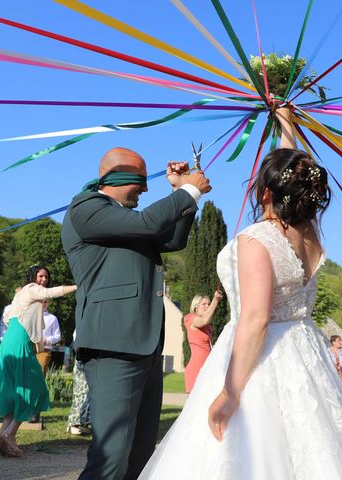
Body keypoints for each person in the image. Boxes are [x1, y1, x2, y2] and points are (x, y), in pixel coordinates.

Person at [139, 107, 342, 479]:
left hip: (257, 357)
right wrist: (285, 123)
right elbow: (294, 171)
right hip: (304, 352)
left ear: (266, 192)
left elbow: (255, 318)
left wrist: (231, 393)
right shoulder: (310, 233)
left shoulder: (256, 240)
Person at [61, 146, 211, 480]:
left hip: (145, 345)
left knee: (140, 454)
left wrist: (178, 190)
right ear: (120, 177)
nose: (145, 190)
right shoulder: (87, 207)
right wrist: (189, 190)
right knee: (111, 456)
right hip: (113, 344)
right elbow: (147, 223)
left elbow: (171, 240)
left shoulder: (127, 223)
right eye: (141, 182)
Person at [0, 265, 76, 457]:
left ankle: (2, 438)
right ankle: (9, 434)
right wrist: (78, 286)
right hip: (19, 341)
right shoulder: (31, 288)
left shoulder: (23, 295)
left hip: (11, 341)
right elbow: (53, 292)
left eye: (46, 277)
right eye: (40, 275)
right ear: (33, 276)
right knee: (34, 388)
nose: (43, 279)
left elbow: (11, 319)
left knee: (15, 391)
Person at [184, 291, 223, 393]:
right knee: (193, 406)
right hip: (196, 369)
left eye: (208, 304)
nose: (207, 306)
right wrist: (215, 300)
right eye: (204, 304)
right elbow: (203, 321)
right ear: (196, 307)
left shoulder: (208, 327)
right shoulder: (190, 318)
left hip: (208, 368)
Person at [67, 331, 91, 436]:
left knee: (89, 394)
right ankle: (74, 424)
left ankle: (84, 423)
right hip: (83, 354)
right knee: (80, 392)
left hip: (90, 355)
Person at [35, 300, 62, 375]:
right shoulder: (31, 316)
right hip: (30, 350)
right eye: (41, 302)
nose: (43, 304)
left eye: (45, 302)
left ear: (48, 303)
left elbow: (58, 336)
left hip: (44, 351)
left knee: (39, 376)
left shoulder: (52, 318)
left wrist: (46, 340)